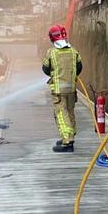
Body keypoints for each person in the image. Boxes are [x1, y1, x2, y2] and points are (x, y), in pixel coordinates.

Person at [42, 24, 83, 153]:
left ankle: (67, 142)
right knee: (70, 112)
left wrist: (55, 74)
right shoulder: (73, 51)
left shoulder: (51, 53)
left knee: (61, 114)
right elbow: (80, 67)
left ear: (52, 38)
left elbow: (45, 68)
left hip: (59, 91)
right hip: (71, 89)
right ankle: (70, 136)